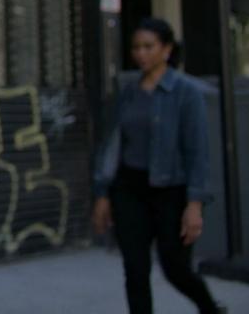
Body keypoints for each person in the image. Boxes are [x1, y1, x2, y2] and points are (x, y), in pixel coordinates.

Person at [92, 17, 222, 314]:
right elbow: (111, 147)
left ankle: (210, 308)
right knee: (135, 271)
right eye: (136, 47)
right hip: (129, 191)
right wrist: (102, 193)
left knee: (176, 269)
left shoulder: (185, 93)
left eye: (148, 46)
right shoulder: (127, 93)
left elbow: (197, 152)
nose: (141, 53)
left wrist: (195, 205)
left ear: (166, 50)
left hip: (171, 192)